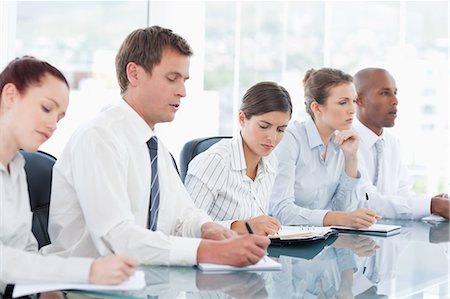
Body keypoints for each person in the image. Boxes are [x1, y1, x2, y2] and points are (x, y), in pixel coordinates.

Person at [42, 26, 269, 266]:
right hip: (84, 283)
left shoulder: (153, 146)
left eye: (184, 80)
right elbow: (116, 239)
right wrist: (208, 252)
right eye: (172, 78)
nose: (182, 92)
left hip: (140, 278)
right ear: (135, 74)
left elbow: (182, 215)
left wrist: (207, 228)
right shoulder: (100, 138)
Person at [0, 56, 139, 293]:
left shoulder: (17, 168)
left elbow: (24, 249)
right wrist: (89, 271)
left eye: (59, 117)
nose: (53, 124)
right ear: (11, 96)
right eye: (46, 108)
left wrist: (44, 289)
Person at [270, 68, 379, 227]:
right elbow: (281, 211)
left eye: (353, 101)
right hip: (285, 245)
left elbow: (342, 209)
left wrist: (351, 158)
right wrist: (341, 218)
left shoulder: (342, 142)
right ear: (317, 108)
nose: (352, 109)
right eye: (343, 102)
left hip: (322, 240)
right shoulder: (290, 139)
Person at [185, 81, 291, 236]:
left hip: (253, 254)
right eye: (263, 126)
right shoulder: (215, 161)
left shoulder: (271, 162)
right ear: (242, 119)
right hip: (214, 256)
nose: (272, 137)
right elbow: (185, 227)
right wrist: (243, 227)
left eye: (280, 130)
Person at [353, 67, 450, 219]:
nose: (395, 100)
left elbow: (403, 194)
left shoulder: (392, 142)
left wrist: (435, 202)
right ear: (360, 100)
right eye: (385, 93)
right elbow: (366, 202)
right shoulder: (345, 143)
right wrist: (431, 205)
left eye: (395, 92)